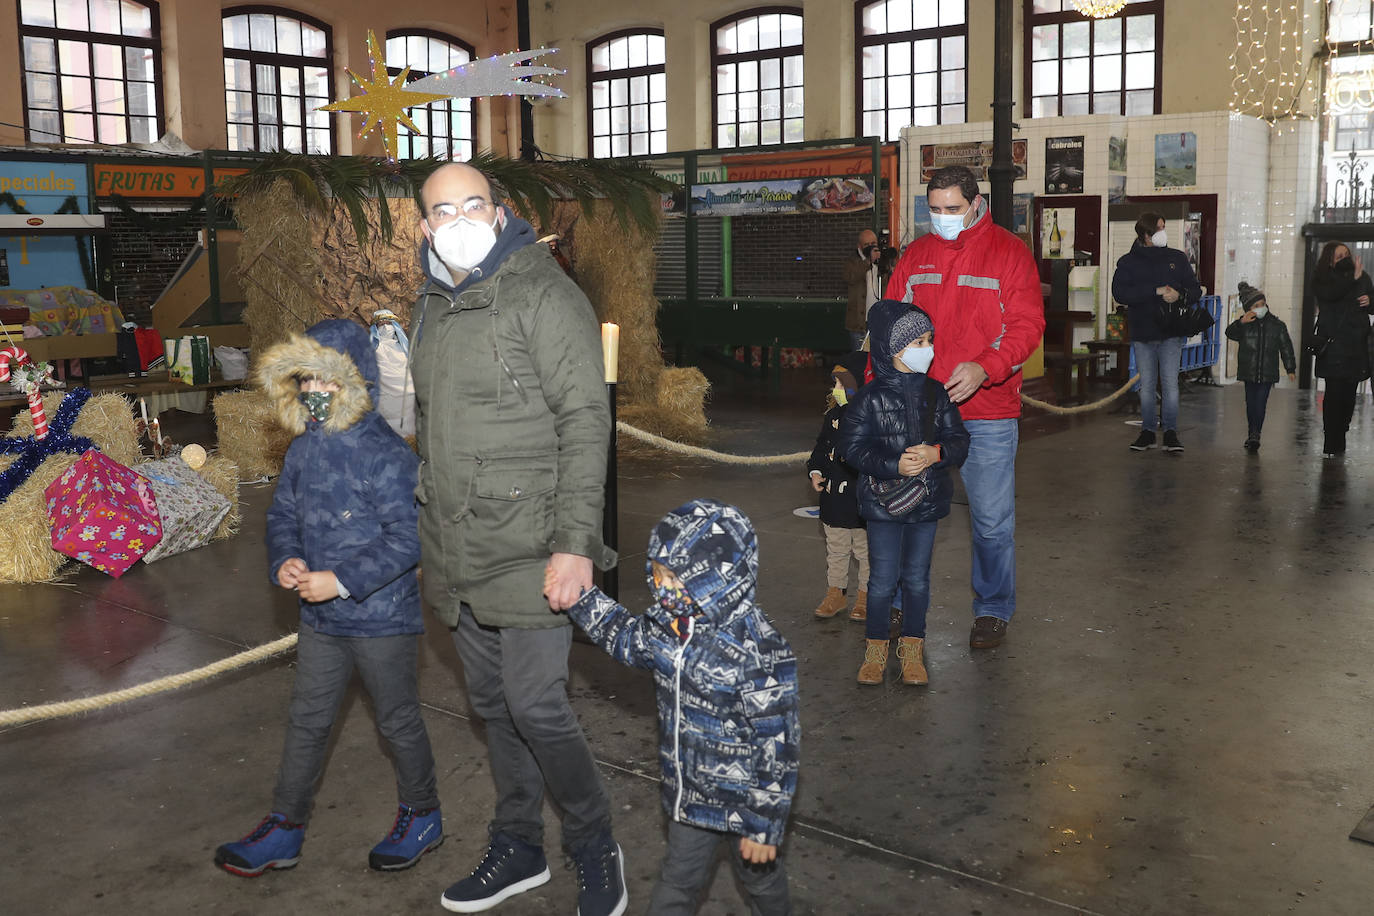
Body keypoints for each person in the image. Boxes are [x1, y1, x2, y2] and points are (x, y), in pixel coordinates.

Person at [409, 163, 627, 916]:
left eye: (475, 203)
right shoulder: (432, 303)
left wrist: (576, 543)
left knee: (537, 706)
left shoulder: (542, 293)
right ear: (425, 227)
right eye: (444, 209)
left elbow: (584, 420)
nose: (461, 218)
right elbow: (433, 428)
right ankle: (519, 847)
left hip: (533, 542)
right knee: (494, 706)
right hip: (459, 544)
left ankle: (596, 844)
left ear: (501, 214)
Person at [214, 319, 441, 877]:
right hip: (322, 622)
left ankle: (422, 813)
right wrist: (284, 557)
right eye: (306, 382)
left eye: (327, 383)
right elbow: (284, 515)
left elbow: (408, 539)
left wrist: (340, 579)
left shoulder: (387, 455)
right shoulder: (303, 451)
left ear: (356, 383)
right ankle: (285, 827)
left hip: (382, 620)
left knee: (397, 721)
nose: (314, 393)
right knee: (308, 720)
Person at [553, 498, 799, 915]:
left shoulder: (760, 651)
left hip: (745, 805)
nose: (664, 588)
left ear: (718, 580)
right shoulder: (668, 628)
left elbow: (779, 744)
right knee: (675, 888)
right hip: (693, 802)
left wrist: (763, 824)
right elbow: (627, 638)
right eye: (659, 574)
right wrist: (583, 599)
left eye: (677, 579)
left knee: (763, 886)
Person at [885, 165, 1044, 650]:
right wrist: (879, 389)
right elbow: (890, 321)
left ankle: (993, 608)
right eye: (934, 210)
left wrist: (986, 367)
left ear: (976, 203)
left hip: (986, 412)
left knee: (992, 519)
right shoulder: (917, 254)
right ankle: (896, 603)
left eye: (952, 209)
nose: (942, 218)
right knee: (905, 510)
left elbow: (1026, 324)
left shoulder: (1009, 253)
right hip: (921, 410)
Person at [839, 301, 969, 685]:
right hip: (883, 505)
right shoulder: (869, 398)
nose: (927, 349)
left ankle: (913, 649)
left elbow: (959, 439)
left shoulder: (936, 393)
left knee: (917, 580)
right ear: (893, 349)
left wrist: (938, 453)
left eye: (929, 340)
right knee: (881, 581)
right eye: (918, 342)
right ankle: (875, 650)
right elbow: (851, 447)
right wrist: (892, 464)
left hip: (926, 503)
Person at [1111, 212, 1203, 453]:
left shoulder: (1177, 258)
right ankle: (1148, 432)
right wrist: (1155, 291)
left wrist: (1179, 295)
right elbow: (1120, 294)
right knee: (1148, 384)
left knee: (1171, 384)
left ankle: (1171, 432)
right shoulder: (1128, 262)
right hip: (1143, 332)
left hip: (1172, 332)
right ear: (1145, 235)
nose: (1164, 232)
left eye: (1164, 227)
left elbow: (1195, 289)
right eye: (1159, 229)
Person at [807, 352, 871, 622]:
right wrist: (815, 470)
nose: (835, 390)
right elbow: (821, 447)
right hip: (833, 499)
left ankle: (867, 597)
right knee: (836, 547)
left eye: (842, 385)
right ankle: (837, 592)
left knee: (866, 551)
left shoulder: (871, 419)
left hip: (861, 500)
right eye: (834, 384)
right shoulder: (832, 416)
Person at [1310, 241, 1373, 457]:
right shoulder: (1323, 279)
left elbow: (1371, 300)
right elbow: (1331, 297)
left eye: (1346, 254)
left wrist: (1369, 300)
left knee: (1348, 397)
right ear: (1329, 259)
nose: (1344, 258)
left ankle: (1342, 431)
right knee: (1334, 395)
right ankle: (1331, 441)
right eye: (1339, 256)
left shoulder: (1362, 277)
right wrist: (1352, 281)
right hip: (1334, 346)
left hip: (1356, 347)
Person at [1226, 282, 1296, 452]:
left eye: (1262, 304)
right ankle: (1252, 432)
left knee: (1260, 403)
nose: (1260, 307)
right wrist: (1241, 322)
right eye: (1256, 305)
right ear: (1249, 308)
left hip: (1267, 372)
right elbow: (1230, 333)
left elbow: (1286, 347)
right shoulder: (1244, 324)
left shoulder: (1277, 325)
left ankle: (1256, 434)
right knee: (1251, 403)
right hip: (1248, 372)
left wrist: (1290, 368)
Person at [843, 228, 882, 350]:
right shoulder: (852, 262)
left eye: (873, 244)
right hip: (859, 322)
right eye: (867, 245)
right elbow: (850, 278)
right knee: (859, 359)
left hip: (879, 320)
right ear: (859, 246)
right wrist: (868, 261)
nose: (870, 247)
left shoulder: (881, 262)